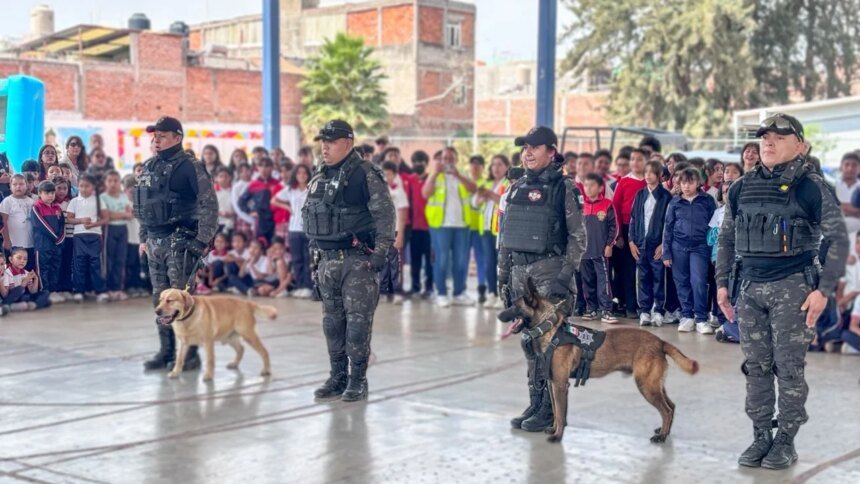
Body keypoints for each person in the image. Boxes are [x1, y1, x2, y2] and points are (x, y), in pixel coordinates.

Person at [716, 113, 848, 469]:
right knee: (756, 366)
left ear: (800, 146)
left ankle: (786, 439)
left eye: (779, 137)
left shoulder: (811, 187)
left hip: (793, 287)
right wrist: (723, 284)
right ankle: (761, 435)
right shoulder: (741, 187)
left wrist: (823, 290)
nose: (768, 143)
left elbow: (838, 239)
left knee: (789, 368)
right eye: (764, 137)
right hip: (749, 287)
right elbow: (727, 238)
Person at [497, 126, 586, 433]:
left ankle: (550, 411)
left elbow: (578, 236)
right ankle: (536, 404)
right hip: (521, 274)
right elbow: (505, 235)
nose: (528, 153)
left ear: (552, 151)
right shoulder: (517, 187)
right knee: (529, 343)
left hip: (550, 274)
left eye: (534, 147)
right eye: (525, 148)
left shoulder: (564, 188)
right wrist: (504, 275)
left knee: (549, 346)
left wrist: (565, 274)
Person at [303, 120, 395, 402]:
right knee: (332, 324)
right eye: (323, 141)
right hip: (326, 261)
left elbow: (385, 215)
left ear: (348, 143)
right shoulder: (319, 174)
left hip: (357, 261)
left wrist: (380, 252)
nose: (325, 146)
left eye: (331, 141)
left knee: (357, 327)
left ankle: (357, 380)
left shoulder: (365, 174)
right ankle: (337, 376)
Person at [134, 116, 218, 372]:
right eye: (154, 136)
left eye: (162, 135)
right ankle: (167, 351)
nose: (156, 140)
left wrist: (202, 241)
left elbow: (209, 205)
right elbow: (144, 206)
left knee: (182, 302)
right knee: (160, 302)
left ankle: (189, 355)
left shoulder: (191, 167)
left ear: (177, 137)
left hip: (180, 243)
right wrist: (143, 237)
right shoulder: (149, 166)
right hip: (155, 242)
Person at [422, 146, 478, 307]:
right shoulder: (435, 177)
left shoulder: (463, 175)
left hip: (462, 225)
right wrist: (435, 174)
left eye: (451, 159)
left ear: (456, 160)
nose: (448, 162)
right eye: (445, 159)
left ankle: (459, 292)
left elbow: (473, 189)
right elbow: (425, 194)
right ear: (440, 160)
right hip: (440, 226)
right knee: (442, 259)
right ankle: (441, 293)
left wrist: (459, 176)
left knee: (461, 260)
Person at [663, 167, 716, 333]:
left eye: (690, 182)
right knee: (681, 282)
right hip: (678, 246)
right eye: (683, 182)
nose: (686, 186)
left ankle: (701, 318)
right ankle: (687, 316)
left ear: (698, 182)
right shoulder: (674, 202)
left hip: (700, 247)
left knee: (699, 281)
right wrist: (666, 252)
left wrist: (712, 248)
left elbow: (713, 226)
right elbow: (667, 228)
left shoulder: (707, 200)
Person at [629, 161, 672, 327]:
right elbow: (633, 219)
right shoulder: (640, 195)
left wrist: (663, 244)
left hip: (657, 245)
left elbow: (669, 224)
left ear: (660, 175)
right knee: (642, 277)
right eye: (646, 172)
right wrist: (631, 241)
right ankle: (645, 310)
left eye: (652, 172)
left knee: (659, 277)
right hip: (640, 243)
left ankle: (659, 310)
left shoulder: (666, 196)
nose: (648, 175)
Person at [611, 148, 647, 318]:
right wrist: (618, 235)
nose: (635, 163)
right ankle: (630, 306)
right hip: (626, 229)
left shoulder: (649, 181)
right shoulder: (623, 182)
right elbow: (616, 208)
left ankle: (646, 306)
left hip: (646, 230)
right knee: (628, 270)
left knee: (644, 268)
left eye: (639, 159)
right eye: (633, 159)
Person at [472, 154, 511, 309]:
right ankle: (491, 293)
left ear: (507, 166)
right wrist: (482, 197)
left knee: (502, 265)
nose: (496, 168)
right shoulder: (487, 183)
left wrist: (491, 195)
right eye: (494, 164)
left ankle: (503, 296)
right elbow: (475, 203)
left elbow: (506, 202)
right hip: (487, 230)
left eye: (500, 164)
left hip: (501, 231)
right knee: (489, 263)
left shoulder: (509, 183)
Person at [579, 173, 618, 324]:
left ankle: (606, 310)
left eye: (592, 185)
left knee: (604, 281)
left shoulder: (607, 204)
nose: (588, 188)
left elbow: (614, 227)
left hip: (601, 251)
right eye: (586, 185)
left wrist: (609, 244)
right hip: (584, 252)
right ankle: (591, 309)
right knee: (586, 281)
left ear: (600, 187)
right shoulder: (580, 205)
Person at [271, 164, 313, 298]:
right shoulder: (290, 190)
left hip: (308, 229)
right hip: (293, 229)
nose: (302, 175)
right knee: (296, 260)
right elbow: (274, 200)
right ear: (295, 174)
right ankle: (299, 286)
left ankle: (308, 286)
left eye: (304, 173)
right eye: (299, 173)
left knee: (308, 259)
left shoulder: (312, 189)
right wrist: (287, 207)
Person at [66, 174, 109, 303]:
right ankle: (79, 291)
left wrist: (94, 224)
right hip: (79, 236)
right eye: (81, 186)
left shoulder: (98, 201)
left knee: (96, 263)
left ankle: (100, 291)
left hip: (95, 235)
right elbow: (69, 219)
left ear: (93, 187)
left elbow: (106, 218)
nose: (84, 189)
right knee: (79, 263)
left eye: (87, 186)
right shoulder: (74, 201)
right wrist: (81, 221)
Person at [30, 180, 66, 303]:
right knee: (43, 269)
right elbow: (41, 225)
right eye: (47, 193)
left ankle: (54, 291)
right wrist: (56, 239)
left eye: (52, 193)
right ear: (40, 193)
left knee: (55, 268)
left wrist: (60, 239)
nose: (50, 195)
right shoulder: (36, 207)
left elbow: (62, 225)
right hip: (43, 245)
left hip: (56, 246)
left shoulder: (57, 208)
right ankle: (45, 292)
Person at [381, 161, 409, 304]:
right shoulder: (377, 191)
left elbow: (403, 213)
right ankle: (385, 291)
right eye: (383, 174)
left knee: (396, 263)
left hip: (396, 231)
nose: (386, 177)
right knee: (383, 262)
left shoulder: (399, 191)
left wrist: (401, 235)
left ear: (394, 175)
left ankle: (397, 291)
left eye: (389, 174)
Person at [408, 150, 433, 298]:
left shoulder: (431, 179)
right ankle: (415, 287)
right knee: (415, 259)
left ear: (426, 163)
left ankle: (429, 287)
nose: (418, 164)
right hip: (414, 227)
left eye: (421, 161)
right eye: (415, 161)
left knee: (430, 260)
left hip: (430, 227)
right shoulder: (409, 180)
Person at [0, 175, 36, 270]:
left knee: (29, 268)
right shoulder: (7, 201)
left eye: (21, 184)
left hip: (30, 242)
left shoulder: (32, 202)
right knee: (14, 269)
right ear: (10, 186)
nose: (18, 187)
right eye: (15, 184)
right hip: (14, 242)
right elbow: (3, 222)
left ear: (26, 185)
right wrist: (6, 240)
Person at [835, 152, 860, 250]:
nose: (850, 168)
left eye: (854, 165)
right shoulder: (832, 187)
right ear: (841, 166)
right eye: (847, 164)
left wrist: (840, 206)